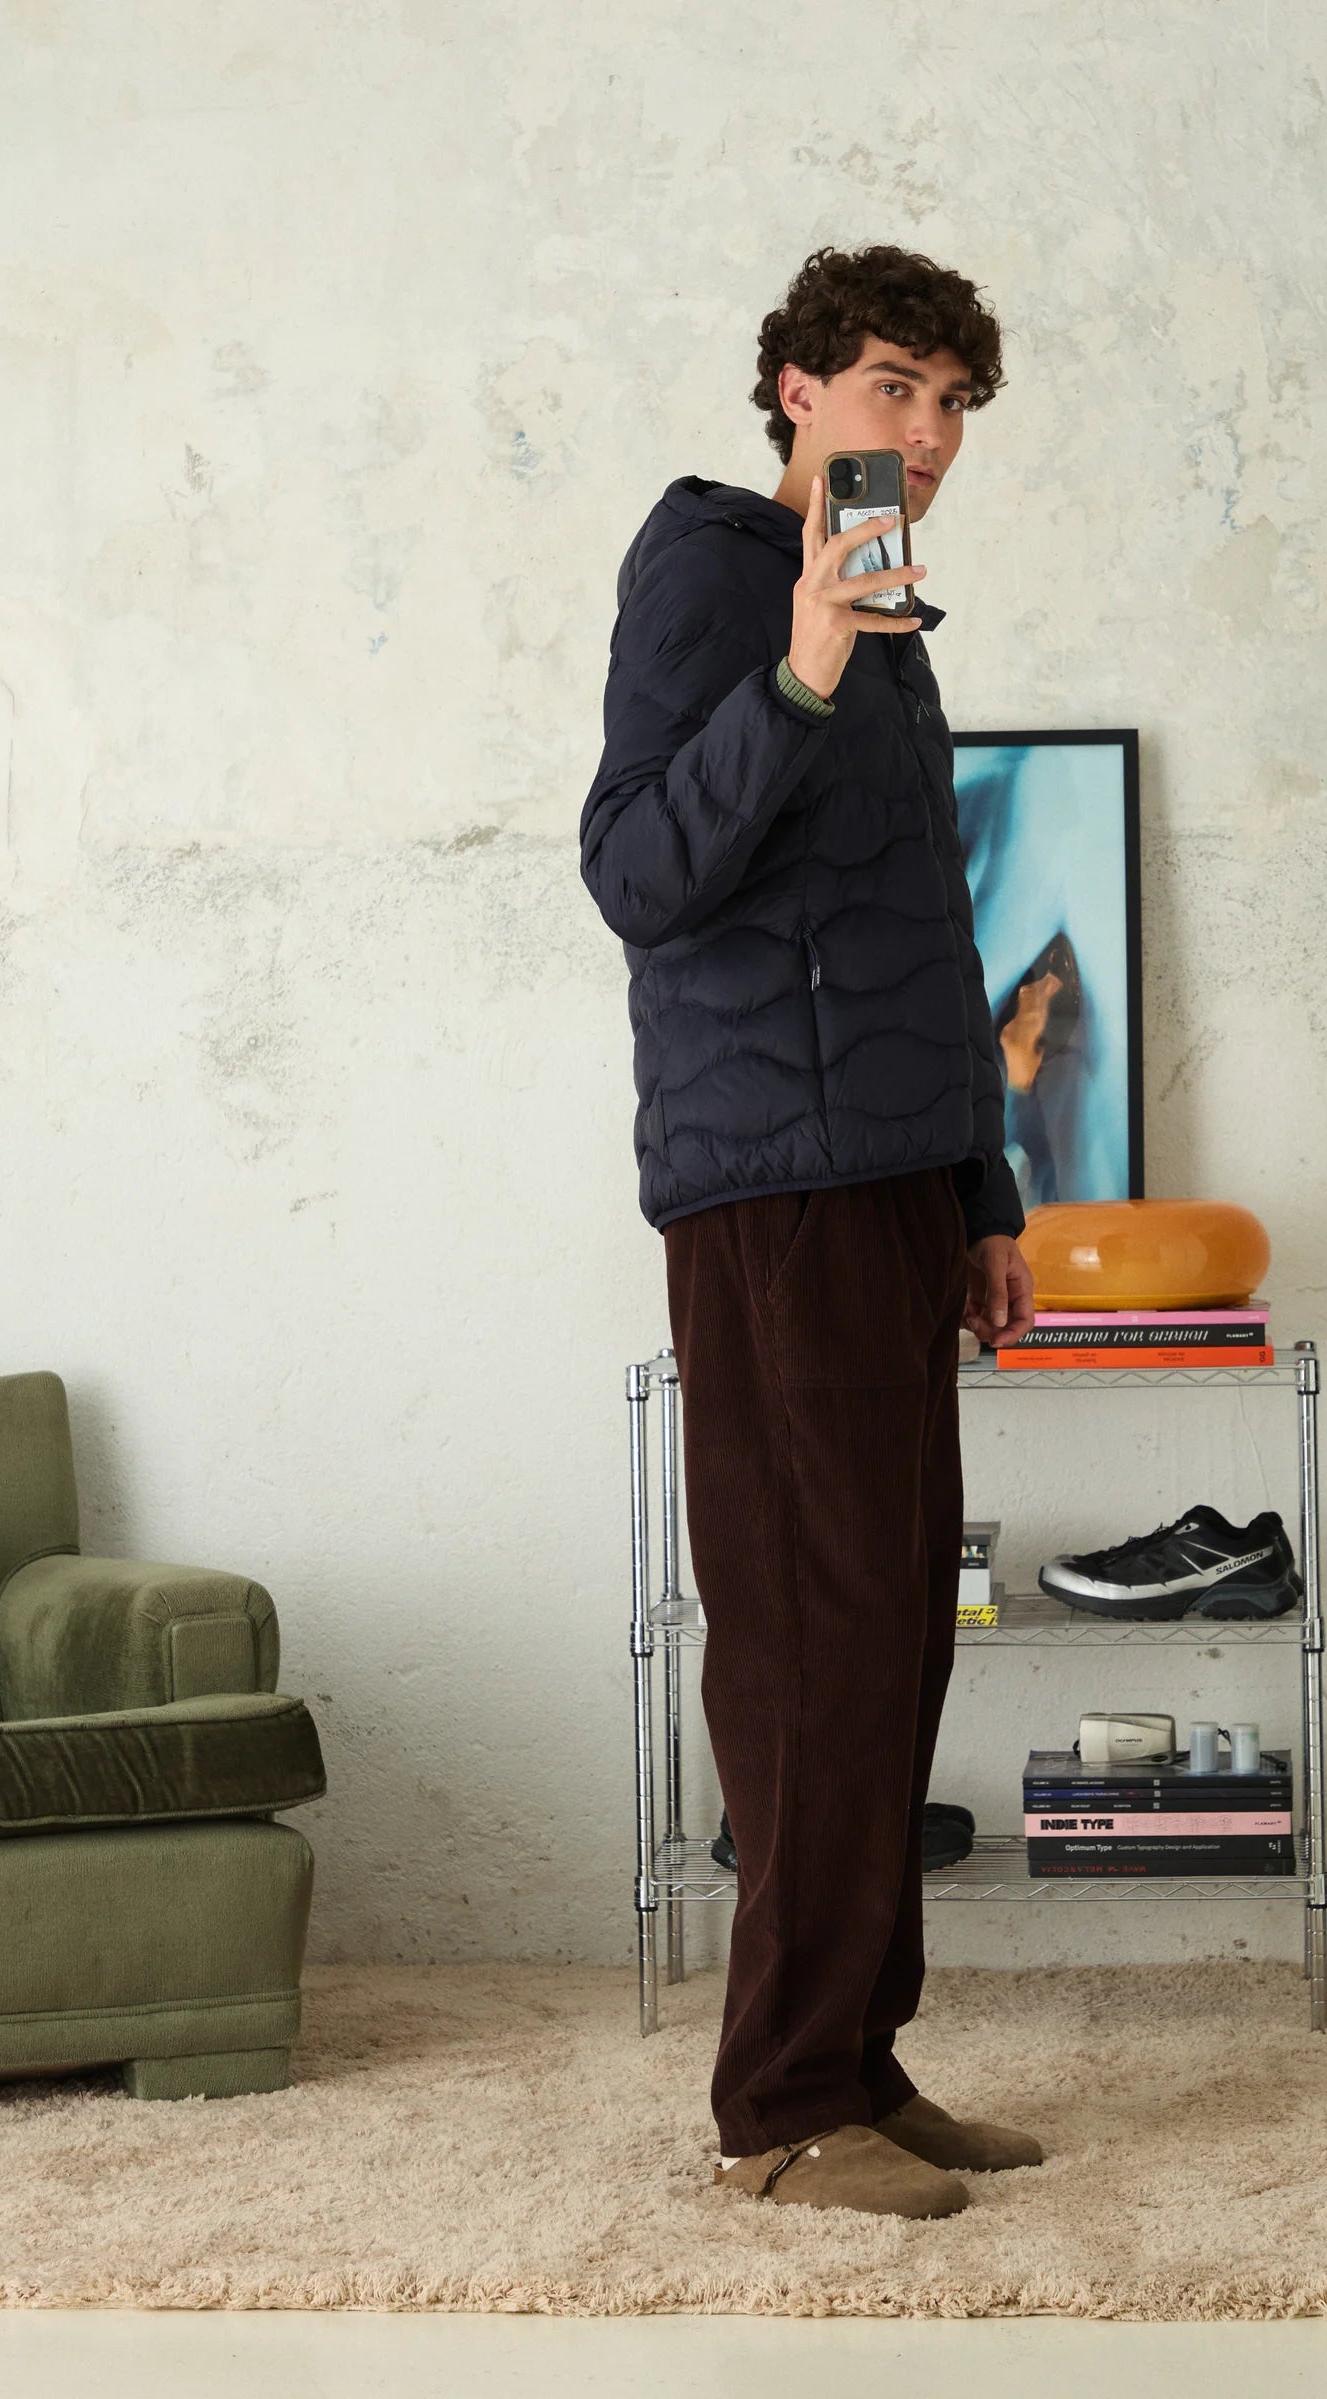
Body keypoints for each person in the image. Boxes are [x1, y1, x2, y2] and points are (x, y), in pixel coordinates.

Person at [580, 243, 1041, 2219]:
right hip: (770, 1187)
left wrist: (982, 1194)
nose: (922, 437)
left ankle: (859, 2059)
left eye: (950, 405)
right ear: (793, 389)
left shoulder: (889, 608)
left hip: (891, 1184)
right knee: (804, 1638)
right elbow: (636, 872)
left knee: (894, 1633)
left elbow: (928, 927)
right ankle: (776, 2105)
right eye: (888, 390)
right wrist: (800, 666)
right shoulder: (712, 573)